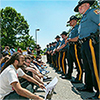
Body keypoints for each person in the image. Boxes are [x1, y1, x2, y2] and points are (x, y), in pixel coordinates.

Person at [74, 0, 99, 99]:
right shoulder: (83, 17)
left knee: (96, 67)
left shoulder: (93, 12)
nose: (79, 8)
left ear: (87, 5)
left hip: (91, 43)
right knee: (88, 67)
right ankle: (89, 86)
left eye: (81, 6)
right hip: (84, 44)